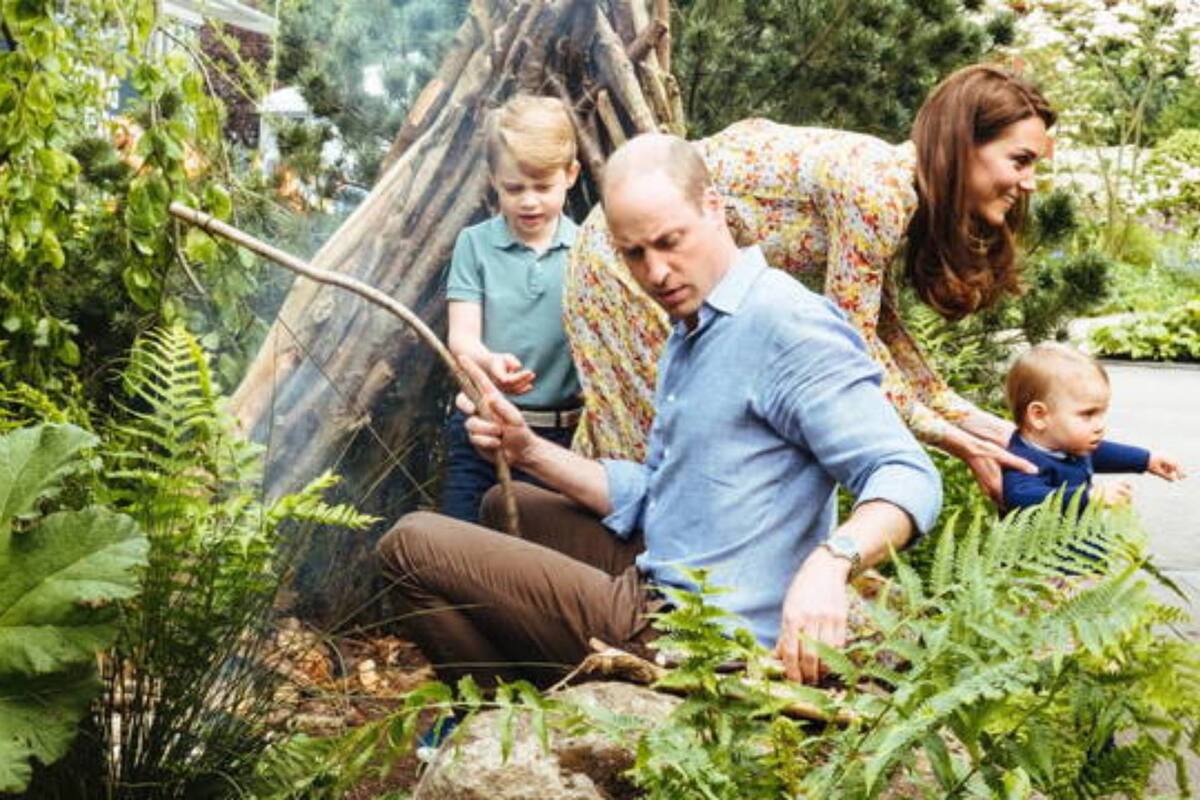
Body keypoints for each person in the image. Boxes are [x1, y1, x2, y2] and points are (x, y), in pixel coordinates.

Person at [377, 133, 942, 693]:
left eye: (671, 242)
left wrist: (832, 561)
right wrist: (527, 451)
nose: (657, 273)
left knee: (408, 545)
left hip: (698, 636)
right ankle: (547, 693)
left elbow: (907, 475)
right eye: (634, 254)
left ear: (714, 208)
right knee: (503, 503)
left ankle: (512, 714)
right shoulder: (694, 327)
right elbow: (665, 495)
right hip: (673, 568)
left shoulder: (785, 324)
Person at [564, 63, 1056, 504]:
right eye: (1021, 160)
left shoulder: (895, 189)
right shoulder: (878, 192)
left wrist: (973, 422)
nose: (1030, 181)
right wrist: (954, 440)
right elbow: (852, 351)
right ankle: (641, 596)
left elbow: (882, 331)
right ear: (964, 144)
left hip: (657, 257)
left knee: (646, 440)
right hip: (626, 253)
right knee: (667, 449)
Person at [440, 95, 584, 522]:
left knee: (539, 558)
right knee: (461, 543)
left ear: (571, 175)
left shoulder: (586, 252)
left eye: (543, 187)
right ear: (493, 181)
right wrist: (488, 362)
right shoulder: (475, 244)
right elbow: (461, 338)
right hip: (483, 427)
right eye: (514, 188)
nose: (529, 202)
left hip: (560, 438)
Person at [1001, 342, 1185, 513]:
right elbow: (1021, 497)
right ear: (1039, 415)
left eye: (1101, 414)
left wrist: (1146, 460)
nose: (1099, 425)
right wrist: (1087, 497)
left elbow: (1098, 452)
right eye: (1088, 414)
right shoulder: (1023, 461)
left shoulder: (1068, 446)